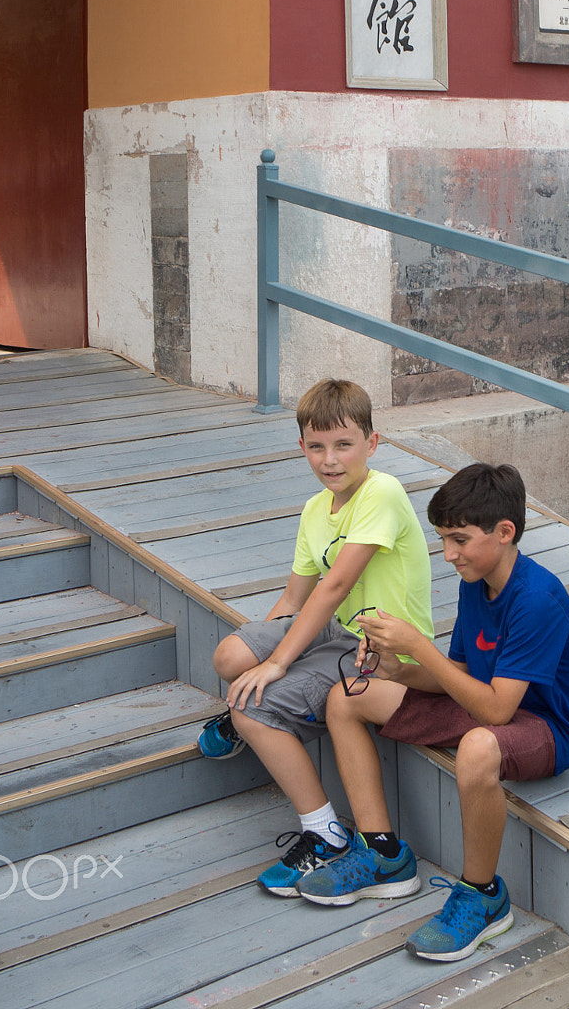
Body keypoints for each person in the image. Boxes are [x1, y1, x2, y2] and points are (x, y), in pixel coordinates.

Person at [296, 461, 569, 964]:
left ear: (504, 532)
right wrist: (398, 669)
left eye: (458, 540)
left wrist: (418, 648)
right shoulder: (477, 580)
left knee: (477, 749)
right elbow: (456, 672)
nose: (448, 554)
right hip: (486, 704)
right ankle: (383, 853)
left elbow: (497, 711)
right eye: (443, 540)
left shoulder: (536, 598)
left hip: (544, 728)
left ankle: (482, 896)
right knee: (347, 695)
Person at [197, 378, 433, 897]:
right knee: (228, 656)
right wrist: (258, 655)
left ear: (371, 444)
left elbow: (337, 584)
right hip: (334, 632)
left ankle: (325, 833)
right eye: (317, 446)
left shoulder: (383, 493)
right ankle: (257, 707)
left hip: (379, 648)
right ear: (301, 446)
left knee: (250, 708)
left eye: (344, 444)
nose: (330, 459)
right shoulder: (313, 511)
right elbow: (294, 601)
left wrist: (278, 665)